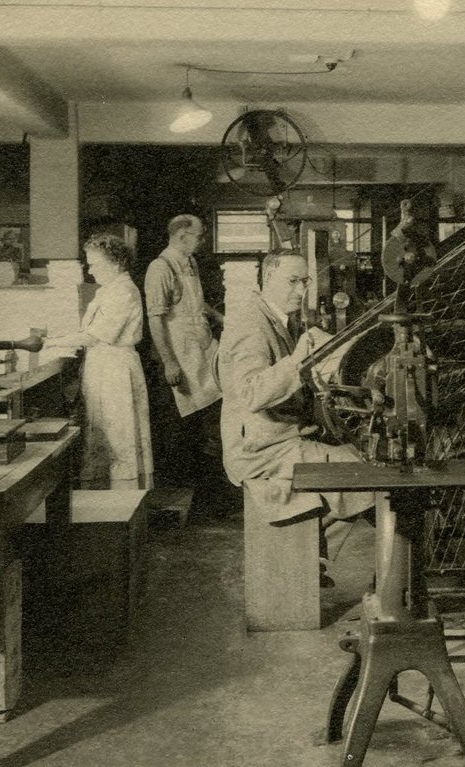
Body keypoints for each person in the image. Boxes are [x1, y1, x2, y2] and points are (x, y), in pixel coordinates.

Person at [218, 251, 372, 578]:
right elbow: (250, 392)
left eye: (305, 281)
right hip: (261, 450)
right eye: (292, 281)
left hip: (278, 437)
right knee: (367, 474)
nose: (301, 290)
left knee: (356, 459)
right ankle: (308, 560)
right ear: (267, 278)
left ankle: (311, 557)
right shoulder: (250, 324)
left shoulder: (275, 319)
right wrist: (300, 361)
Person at [44, 233, 153, 490]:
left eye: (94, 264)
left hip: (116, 369)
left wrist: (51, 342)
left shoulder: (123, 291)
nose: (90, 271)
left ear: (115, 263)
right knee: (104, 431)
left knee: (118, 434)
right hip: (103, 365)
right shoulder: (108, 290)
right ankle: (106, 494)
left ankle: (123, 495)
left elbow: (96, 335)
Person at [145, 214, 233, 516]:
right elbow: (156, 320)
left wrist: (220, 317)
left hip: (201, 351)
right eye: (199, 235)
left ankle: (212, 497)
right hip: (179, 360)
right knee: (184, 433)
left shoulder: (190, 262)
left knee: (210, 425)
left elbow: (196, 303)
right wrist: (169, 362)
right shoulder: (161, 268)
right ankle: (193, 502)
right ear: (182, 236)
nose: (203, 240)